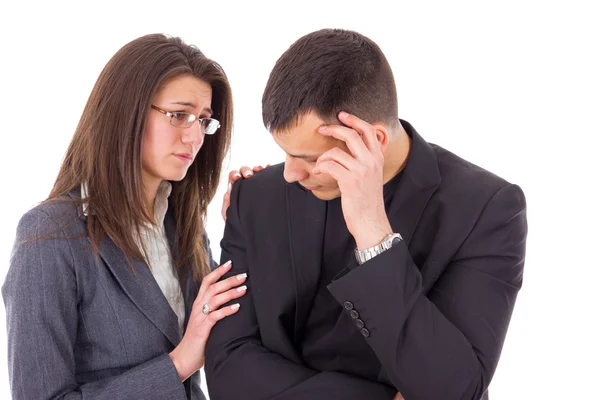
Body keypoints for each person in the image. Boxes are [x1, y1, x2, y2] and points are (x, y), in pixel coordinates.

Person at [205, 29, 528, 400]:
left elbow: (453, 390)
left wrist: (375, 239)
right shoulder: (254, 197)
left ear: (373, 139)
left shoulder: (486, 208)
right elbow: (227, 367)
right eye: (286, 152)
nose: (291, 173)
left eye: (309, 158)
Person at [1, 33, 262, 400]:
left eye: (203, 121)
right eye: (178, 115)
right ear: (127, 111)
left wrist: (249, 225)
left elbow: (233, 331)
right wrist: (179, 364)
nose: (194, 138)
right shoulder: (49, 234)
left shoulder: (183, 228)